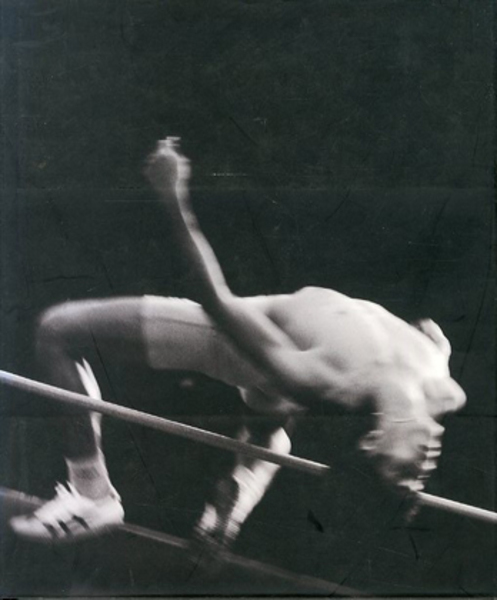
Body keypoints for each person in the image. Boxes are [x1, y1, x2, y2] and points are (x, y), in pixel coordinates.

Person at [10, 138, 466, 554]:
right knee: (267, 422)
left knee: (58, 330)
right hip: (285, 366)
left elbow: (217, 299)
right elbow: (423, 348)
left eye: (401, 474)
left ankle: (92, 494)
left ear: (372, 443)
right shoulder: (445, 388)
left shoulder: (330, 381)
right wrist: (431, 342)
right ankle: (236, 498)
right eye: (418, 481)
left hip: (236, 344)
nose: (423, 470)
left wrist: (172, 196)